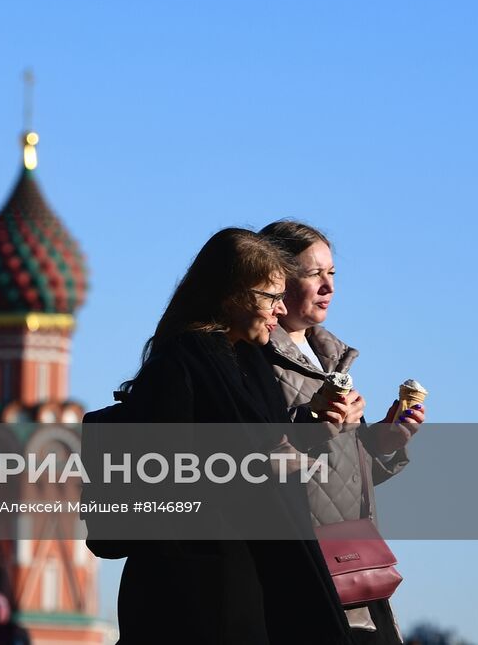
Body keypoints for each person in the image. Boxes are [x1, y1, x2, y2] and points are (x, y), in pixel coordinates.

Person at [107, 228, 352, 644]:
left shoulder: (249, 364)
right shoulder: (180, 363)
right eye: (270, 297)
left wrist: (311, 428)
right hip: (193, 593)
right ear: (234, 294)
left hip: (253, 577)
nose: (279, 311)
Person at [260, 221, 426, 643]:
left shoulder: (328, 359)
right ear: (275, 277)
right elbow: (244, 460)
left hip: (351, 566)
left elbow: (339, 474)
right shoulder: (254, 356)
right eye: (313, 273)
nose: (327, 286)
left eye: (332, 273)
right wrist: (311, 426)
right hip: (298, 573)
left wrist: (381, 445)